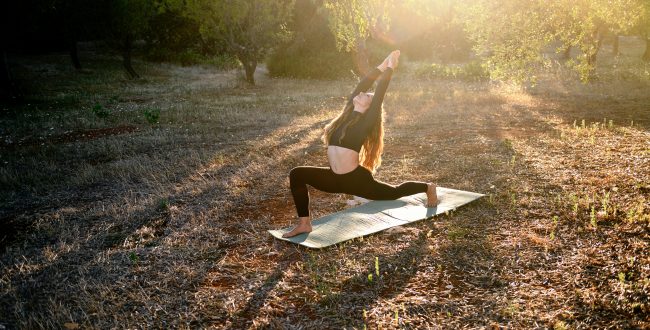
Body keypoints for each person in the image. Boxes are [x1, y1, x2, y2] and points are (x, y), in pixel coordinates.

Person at [283, 50, 438, 238]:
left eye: (367, 95)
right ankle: (304, 223)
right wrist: (381, 66)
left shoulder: (366, 122)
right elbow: (362, 85)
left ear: (370, 106)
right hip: (333, 179)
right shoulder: (346, 115)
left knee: (394, 193)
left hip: (356, 181)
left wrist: (390, 68)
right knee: (297, 174)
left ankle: (427, 187)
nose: (362, 93)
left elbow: (380, 91)